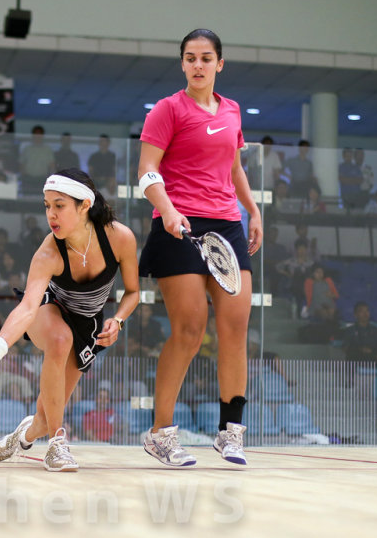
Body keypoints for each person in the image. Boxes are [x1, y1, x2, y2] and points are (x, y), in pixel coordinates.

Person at [135, 29, 262, 466]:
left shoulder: (232, 111)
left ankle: (231, 434)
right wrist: (168, 210)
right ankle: (160, 433)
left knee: (235, 330)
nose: (198, 65)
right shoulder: (168, 110)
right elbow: (147, 172)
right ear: (183, 63)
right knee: (189, 332)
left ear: (219, 64)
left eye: (206, 58)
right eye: (190, 58)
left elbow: (234, 167)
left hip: (227, 225)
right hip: (179, 226)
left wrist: (254, 211)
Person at [0, 168, 140, 471]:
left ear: (84, 205)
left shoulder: (120, 238)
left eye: (59, 205)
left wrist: (119, 320)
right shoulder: (48, 252)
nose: (51, 215)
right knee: (59, 339)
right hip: (49, 309)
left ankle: (25, 435)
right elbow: (28, 307)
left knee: (44, 418)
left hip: (88, 323)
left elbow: (133, 292)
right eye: (47, 206)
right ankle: (58, 444)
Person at [19, 125, 56, 193]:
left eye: (40, 134)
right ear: (33, 135)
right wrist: (23, 178)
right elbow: (22, 165)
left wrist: (52, 182)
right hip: (28, 180)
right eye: (36, 134)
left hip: (42, 180)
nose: (38, 137)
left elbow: (52, 166)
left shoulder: (47, 150)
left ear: (42, 136)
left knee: (40, 201)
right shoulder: (27, 149)